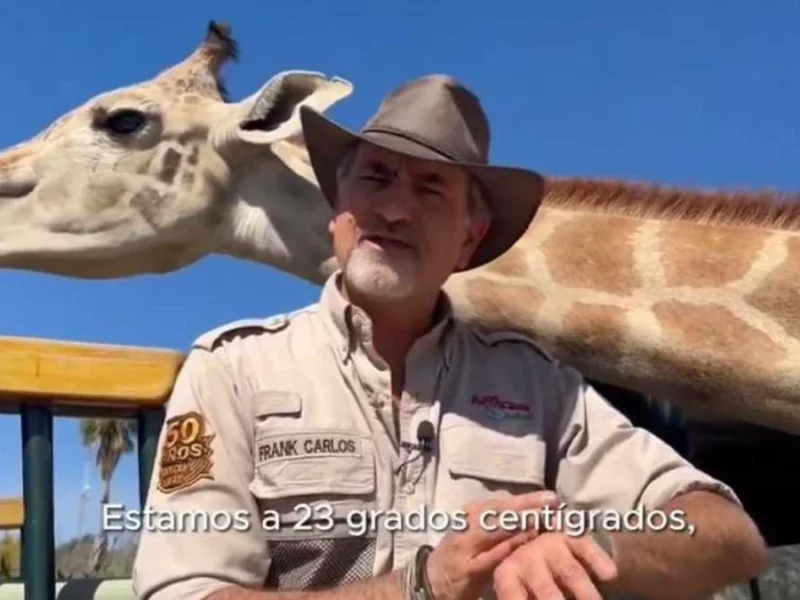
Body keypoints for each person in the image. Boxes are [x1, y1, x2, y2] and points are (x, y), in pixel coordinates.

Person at [132, 74, 767, 600]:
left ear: (469, 238)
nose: (396, 209)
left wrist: (588, 547)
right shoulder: (234, 369)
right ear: (338, 213)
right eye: (375, 178)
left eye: (431, 187)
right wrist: (420, 585)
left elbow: (729, 536)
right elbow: (190, 594)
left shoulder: (538, 385)